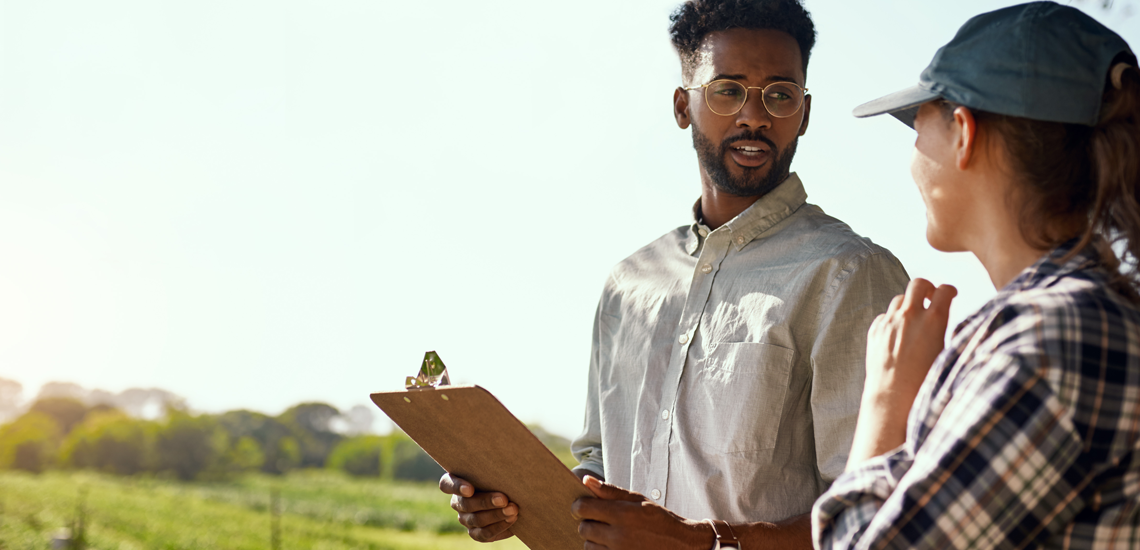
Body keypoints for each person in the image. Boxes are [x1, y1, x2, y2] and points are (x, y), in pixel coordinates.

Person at [440, 1, 909, 548]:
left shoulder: (850, 275)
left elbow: (877, 512)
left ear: (803, 114)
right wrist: (515, 502)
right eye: (727, 90)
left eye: (780, 95)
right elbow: (601, 464)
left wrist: (704, 542)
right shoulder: (630, 284)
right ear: (683, 106)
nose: (754, 116)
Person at [811, 2, 1140, 549]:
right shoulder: (1072, 323)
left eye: (917, 124)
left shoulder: (1048, 344)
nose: (911, 156)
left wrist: (887, 401)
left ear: (964, 132)